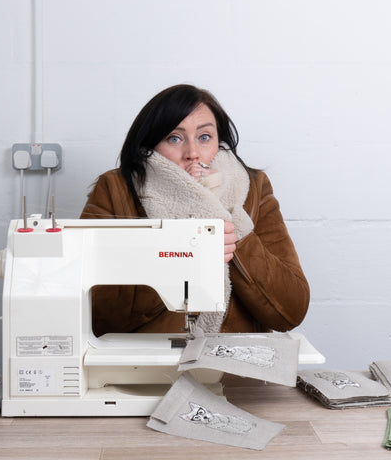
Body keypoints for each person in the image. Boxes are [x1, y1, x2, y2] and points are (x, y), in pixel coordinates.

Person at [81, 84, 309, 336]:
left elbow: (290, 311)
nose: (192, 153)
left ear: (218, 141)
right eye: (174, 138)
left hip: (235, 362)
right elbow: (93, 312)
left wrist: (235, 236)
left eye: (204, 137)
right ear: (151, 143)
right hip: (147, 361)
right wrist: (177, 254)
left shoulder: (253, 187)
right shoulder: (117, 188)